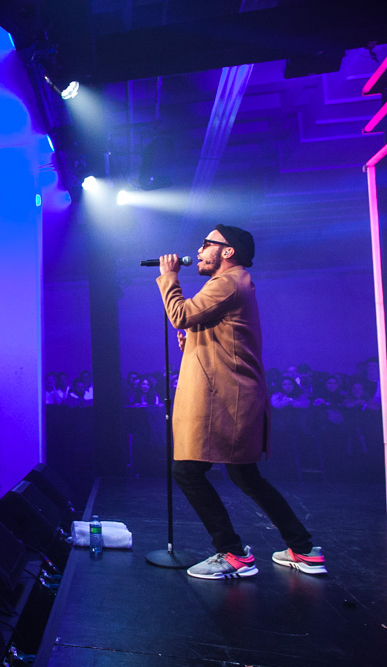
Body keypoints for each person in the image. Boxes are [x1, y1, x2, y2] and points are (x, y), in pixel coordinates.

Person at [157, 225, 325, 580]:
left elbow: (181, 315)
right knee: (245, 475)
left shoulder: (227, 283)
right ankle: (303, 548)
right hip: (229, 396)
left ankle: (233, 553)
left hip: (226, 400)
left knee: (188, 471)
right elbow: (222, 340)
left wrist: (169, 277)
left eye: (206, 245)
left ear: (227, 251)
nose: (199, 251)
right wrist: (194, 344)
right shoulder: (233, 284)